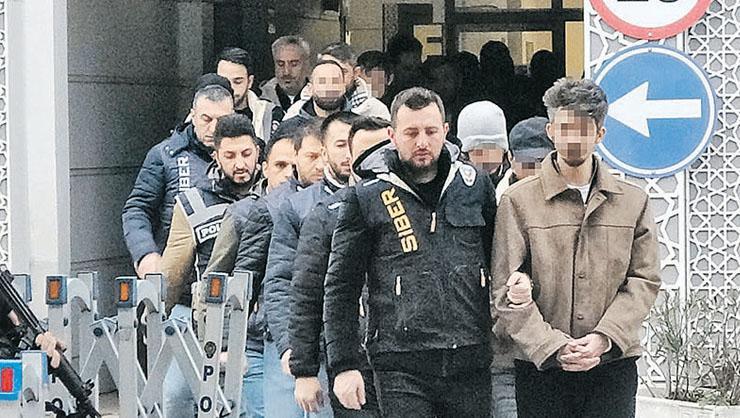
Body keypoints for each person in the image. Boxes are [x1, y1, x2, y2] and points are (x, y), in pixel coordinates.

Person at [491, 78, 661, 418]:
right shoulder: (518, 201)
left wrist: (603, 338)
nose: (573, 138)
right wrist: (552, 345)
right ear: (551, 131)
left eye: (583, 129)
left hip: (612, 365)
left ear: (600, 134)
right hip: (541, 369)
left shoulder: (632, 202)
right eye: (565, 128)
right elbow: (503, 291)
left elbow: (644, 281)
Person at [323, 87, 496, 417]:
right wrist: (343, 364)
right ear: (392, 135)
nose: (422, 142)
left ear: (446, 131)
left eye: (431, 131)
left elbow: (498, 259)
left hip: (470, 356)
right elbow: (341, 286)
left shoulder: (475, 185)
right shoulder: (367, 196)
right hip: (399, 362)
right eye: (411, 133)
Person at [203, 118, 307, 418]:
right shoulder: (247, 212)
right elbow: (224, 280)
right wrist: (225, 344)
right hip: (255, 339)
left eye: (293, 166)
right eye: (280, 165)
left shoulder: (315, 207)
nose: (287, 174)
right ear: (265, 167)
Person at [159, 113, 261, 416]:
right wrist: (158, 315)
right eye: (230, 155)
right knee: (175, 396)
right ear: (215, 155)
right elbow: (173, 271)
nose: (240, 163)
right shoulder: (192, 202)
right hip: (198, 313)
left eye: (246, 153)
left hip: (255, 318)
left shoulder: (273, 194)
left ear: (258, 150)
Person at [290, 116, 391, 418]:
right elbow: (307, 294)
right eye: (363, 154)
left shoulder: (416, 206)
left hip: (408, 359)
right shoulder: (327, 214)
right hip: (354, 359)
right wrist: (305, 370)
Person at [264, 112, 361, 418]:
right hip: (315, 348)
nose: (348, 154)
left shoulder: (383, 198)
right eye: (340, 145)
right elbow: (281, 281)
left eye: (354, 144)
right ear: (324, 151)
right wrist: (290, 348)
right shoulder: (297, 207)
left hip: (369, 351)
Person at [229, 118, 326, 418]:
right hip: (278, 335)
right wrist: (230, 342)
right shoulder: (271, 207)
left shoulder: (346, 200)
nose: (320, 164)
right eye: (311, 156)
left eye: (324, 155)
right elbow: (246, 277)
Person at [122, 78, 234, 278]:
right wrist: (145, 253)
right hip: (176, 276)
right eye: (206, 119)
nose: (213, 129)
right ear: (193, 115)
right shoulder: (165, 155)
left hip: (230, 274)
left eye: (222, 120)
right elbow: (137, 209)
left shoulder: (247, 156)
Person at [216, 47, 284, 140]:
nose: (231, 88)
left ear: (250, 82)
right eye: (224, 81)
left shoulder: (270, 114)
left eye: (237, 82)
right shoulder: (205, 115)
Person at [494, 116, 554, 201]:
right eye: (528, 162)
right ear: (510, 158)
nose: (537, 169)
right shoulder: (500, 198)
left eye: (543, 160)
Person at [457, 101, 511, 187]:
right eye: (480, 151)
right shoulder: (453, 184)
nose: (488, 156)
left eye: (494, 148)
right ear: (464, 154)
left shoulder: (516, 183)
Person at [261, 36, 312, 111]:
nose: (286, 72)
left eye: (294, 64)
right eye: (281, 64)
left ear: (306, 64)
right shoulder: (260, 102)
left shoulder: (319, 99)